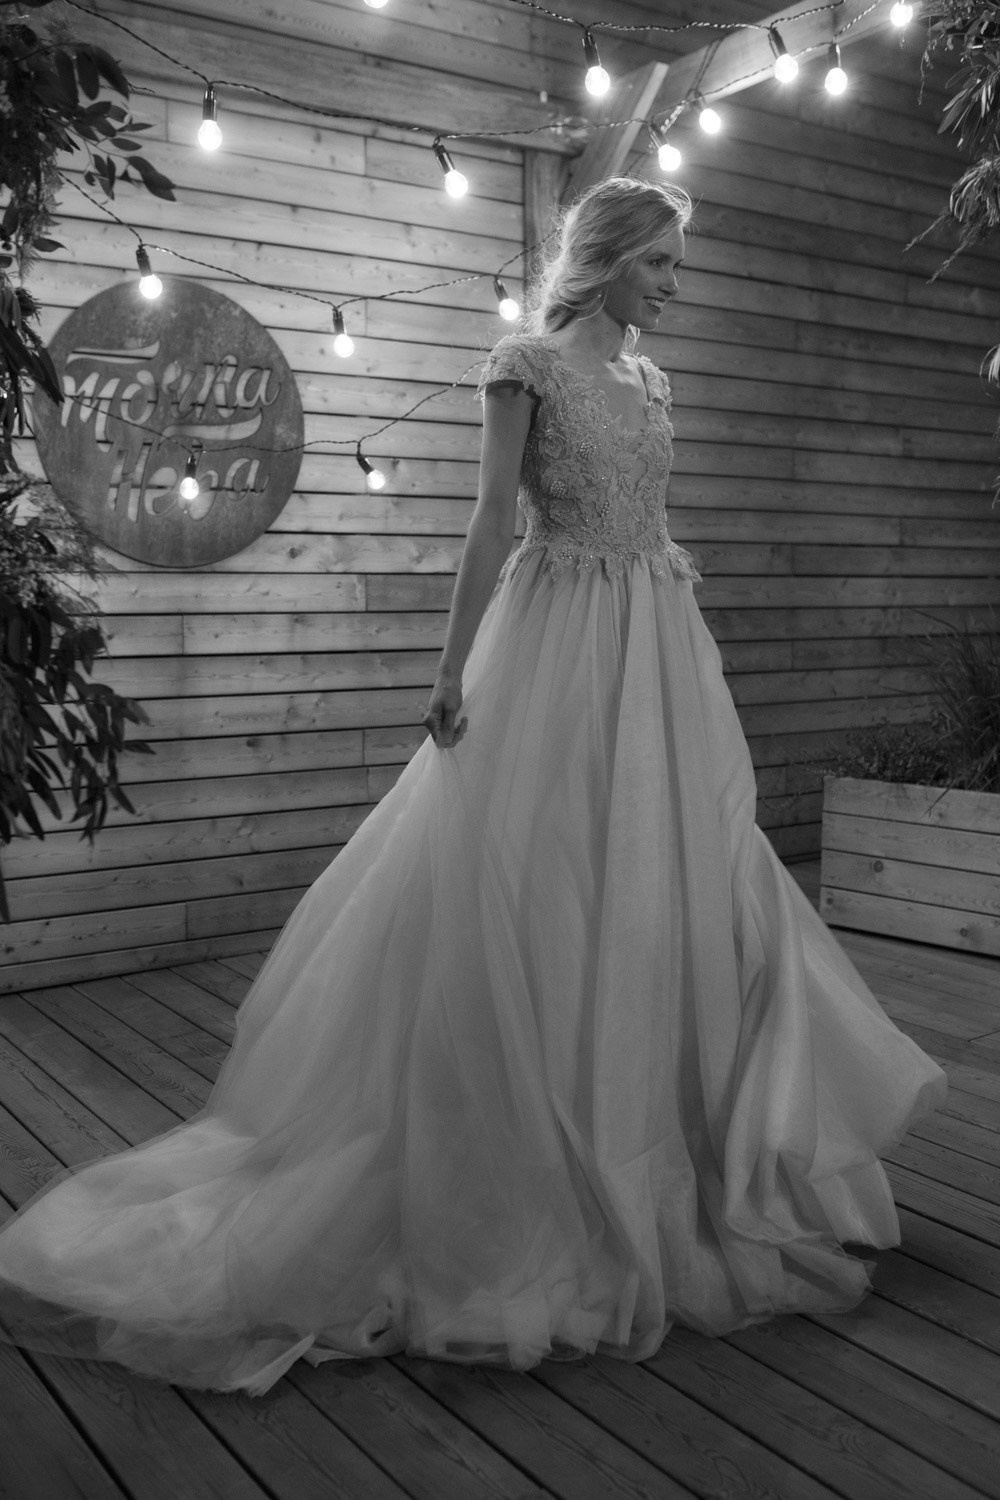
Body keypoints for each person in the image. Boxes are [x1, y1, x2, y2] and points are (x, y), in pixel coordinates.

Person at [0, 176, 946, 1396]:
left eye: (675, 261)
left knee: (674, 871)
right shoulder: (525, 366)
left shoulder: (651, 380)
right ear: (604, 259)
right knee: (539, 877)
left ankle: (671, 1130)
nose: (674, 282)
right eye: (658, 261)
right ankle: (526, 1150)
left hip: (655, 644)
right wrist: (450, 672)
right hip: (556, 638)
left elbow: (645, 518)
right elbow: (492, 519)